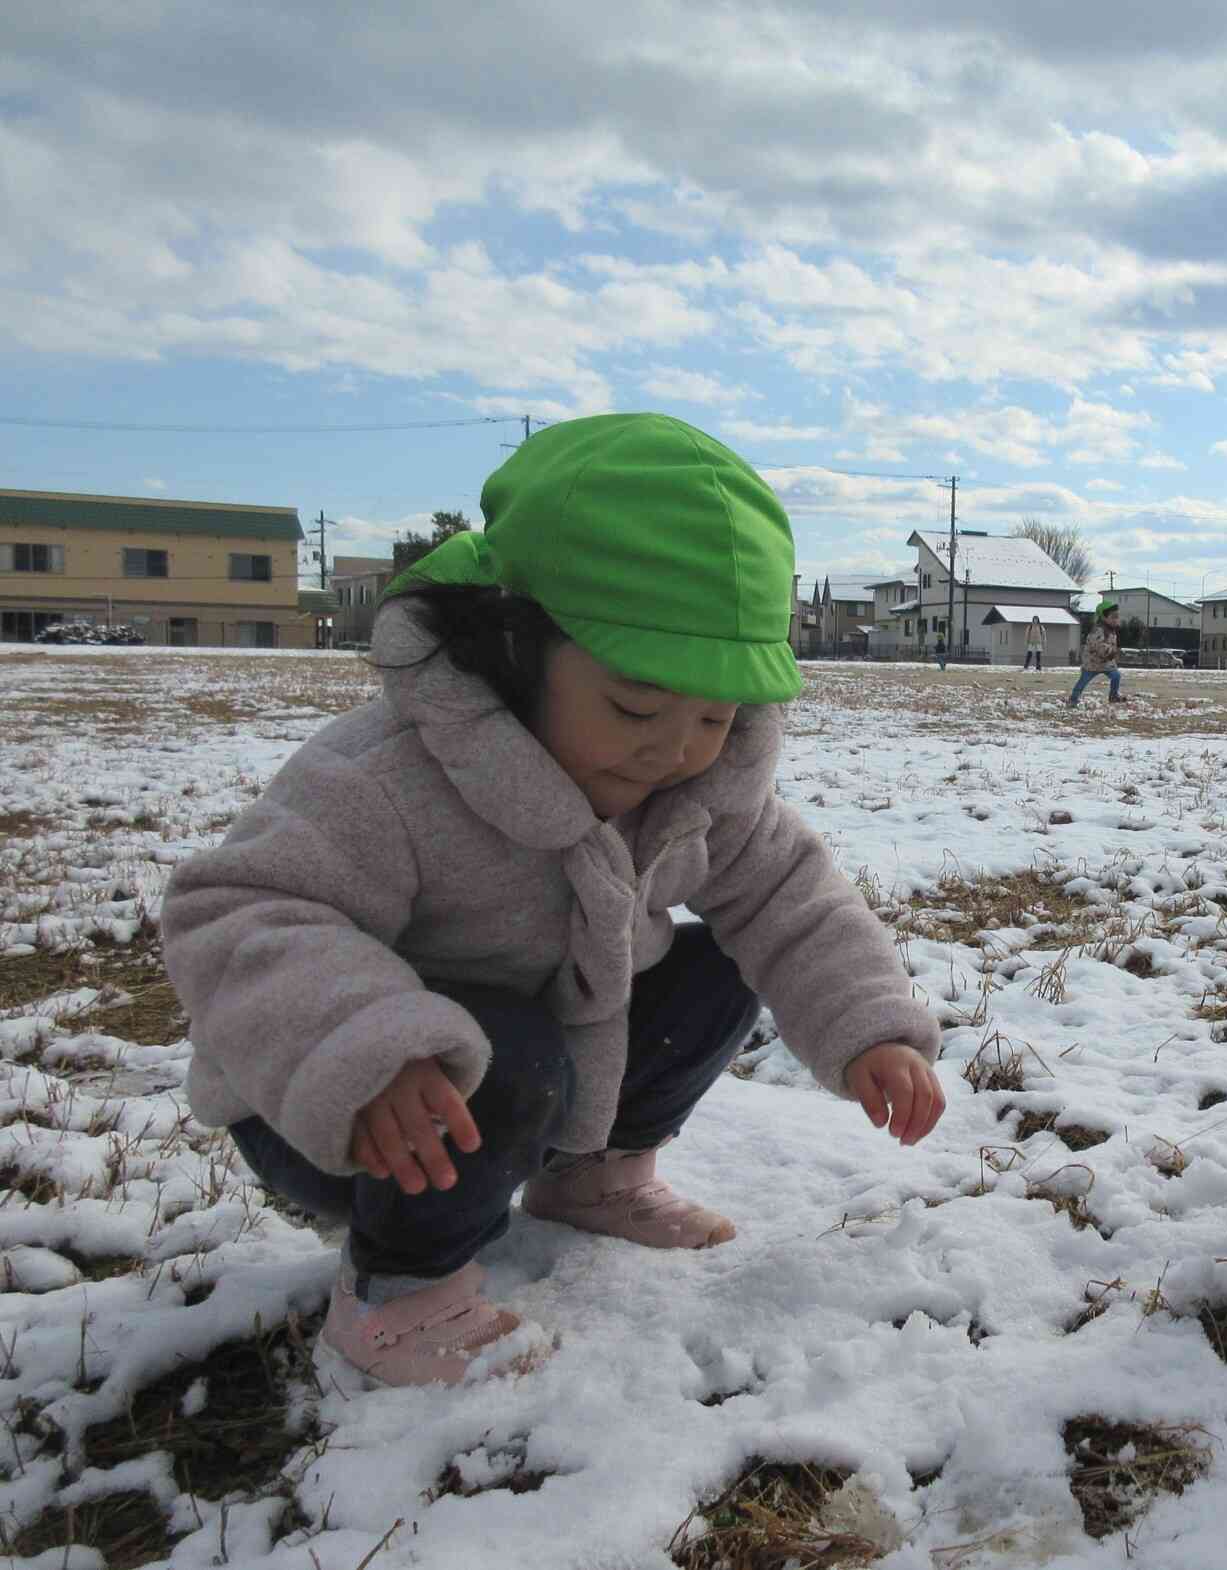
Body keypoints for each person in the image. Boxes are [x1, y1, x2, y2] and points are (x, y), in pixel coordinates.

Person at [162, 414, 947, 1389]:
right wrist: (366, 1047)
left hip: (534, 1075)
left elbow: (793, 898)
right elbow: (233, 910)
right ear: (518, 646)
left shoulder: (691, 794)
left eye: (714, 715)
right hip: (335, 1100)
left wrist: (872, 1028)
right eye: (635, 706)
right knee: (503, 1049)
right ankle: (398, 1294)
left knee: (713, 971)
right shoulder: (389, 778)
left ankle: (592, 1182)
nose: (673, 749)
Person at [1069, 600, 1125, 705]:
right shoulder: (1098, 630)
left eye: (1117, 616)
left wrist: (1113, 651)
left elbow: (1112, 644)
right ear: (1103, 617)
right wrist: (1111, 652)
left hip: (1106, 663)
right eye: (1113, 617)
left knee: (1116, 676)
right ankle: (1073, 699)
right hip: (1092, 663)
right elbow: (1099, 646)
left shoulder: (1111, 629)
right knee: (1083, 681)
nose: (1116, 619)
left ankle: (1113, 696)